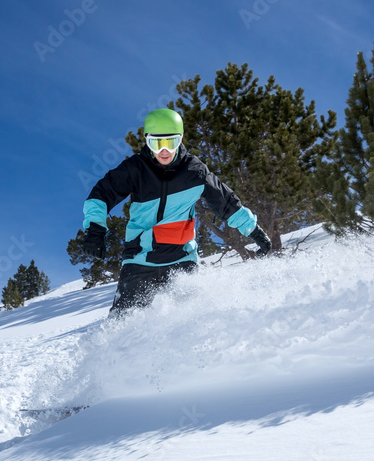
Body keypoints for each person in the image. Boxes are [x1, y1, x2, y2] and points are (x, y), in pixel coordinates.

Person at [80, 108, 271, 314]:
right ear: (147, 141)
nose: (164, 151)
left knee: (192, 320)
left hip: (182, 260)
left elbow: (226, 202)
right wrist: (95, 229)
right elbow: (101, 194)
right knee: (123, 323)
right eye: (156, 143)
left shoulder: (195, 172)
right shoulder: (136, 169)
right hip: (140, 260)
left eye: (170, 142)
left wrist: (254, 231)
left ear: (180, 140)